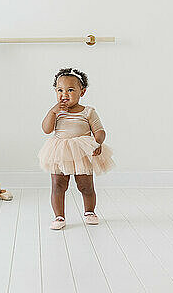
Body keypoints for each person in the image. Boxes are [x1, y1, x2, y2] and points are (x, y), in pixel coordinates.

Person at [38, 68, 115, 230]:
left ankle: (89, 211)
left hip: (82, 152)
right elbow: (46, 129)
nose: (64, 94)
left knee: (85, 185)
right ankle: (59, 216)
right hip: (60, 151)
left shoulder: (88, 112)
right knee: (58, 185)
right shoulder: (57, 112)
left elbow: (99, 131)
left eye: (70, 90)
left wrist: (97, 142)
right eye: (60, 90)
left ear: (83, 92)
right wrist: (52, 112)